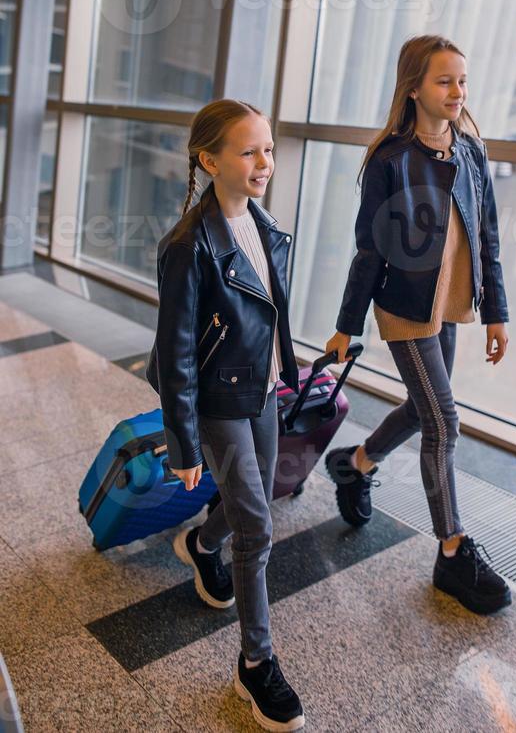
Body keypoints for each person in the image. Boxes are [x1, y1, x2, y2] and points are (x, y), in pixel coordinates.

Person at [324, 34, 512, 615]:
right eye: (444, 81)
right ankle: (452, 550)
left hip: (452, 301)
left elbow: (487, 236)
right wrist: (346, 325)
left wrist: (496, 311)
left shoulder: (471, 153)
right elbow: (369, 252)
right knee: (443, 421)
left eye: (462, 80)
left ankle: (354, 466)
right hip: (405, 307)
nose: (457, 92)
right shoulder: (390, 159)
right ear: (414, 88)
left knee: (422, 406)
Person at [146, 99, 305, 731]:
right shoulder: (189, 246)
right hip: (216, 402)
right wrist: (183, 444)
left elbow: (266, 315)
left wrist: (285, 372)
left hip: (259, 391)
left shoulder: (264, 228)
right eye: (248, 151)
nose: (264, 161)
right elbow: (178, 353)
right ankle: (255, 663)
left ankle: (200, 542)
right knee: (259, 528)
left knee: (257, 499)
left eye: (267, 148)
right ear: (210, 160)